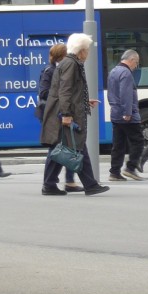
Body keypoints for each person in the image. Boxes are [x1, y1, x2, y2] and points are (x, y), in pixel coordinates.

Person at [40, 33, 109, 196]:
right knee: (74, 148)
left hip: (62, 112)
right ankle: (90, 185)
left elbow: (70, 91)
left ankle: (50, 185)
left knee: (61, 149)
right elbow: (65, 91)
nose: (88, 53)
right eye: (87, 50)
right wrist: (66, 114)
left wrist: (85, 101)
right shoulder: (71, 64)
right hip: (64, 115)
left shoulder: (68, 63)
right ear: (81, 50)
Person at [36, 42, 78, 190]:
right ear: (63, 55)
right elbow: (44, 93)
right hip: (55, 114)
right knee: (58, 148)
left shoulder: (60, 68)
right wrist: (63, 95)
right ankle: (51, 183)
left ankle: (67, 181)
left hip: (60, 112)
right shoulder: (50, 70)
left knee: (68, 146)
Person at [106, 49, 144, 180]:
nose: (136, 66)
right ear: (132, 60)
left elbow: (112, 93)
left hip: (115, 113)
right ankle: (131, 168)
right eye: (137, 62)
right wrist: (127, 113)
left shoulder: (113, 71)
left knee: (118, 144)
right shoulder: (126, 73)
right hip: (127, 115)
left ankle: (114, 172)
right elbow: (126, 94)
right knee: (138, 141)